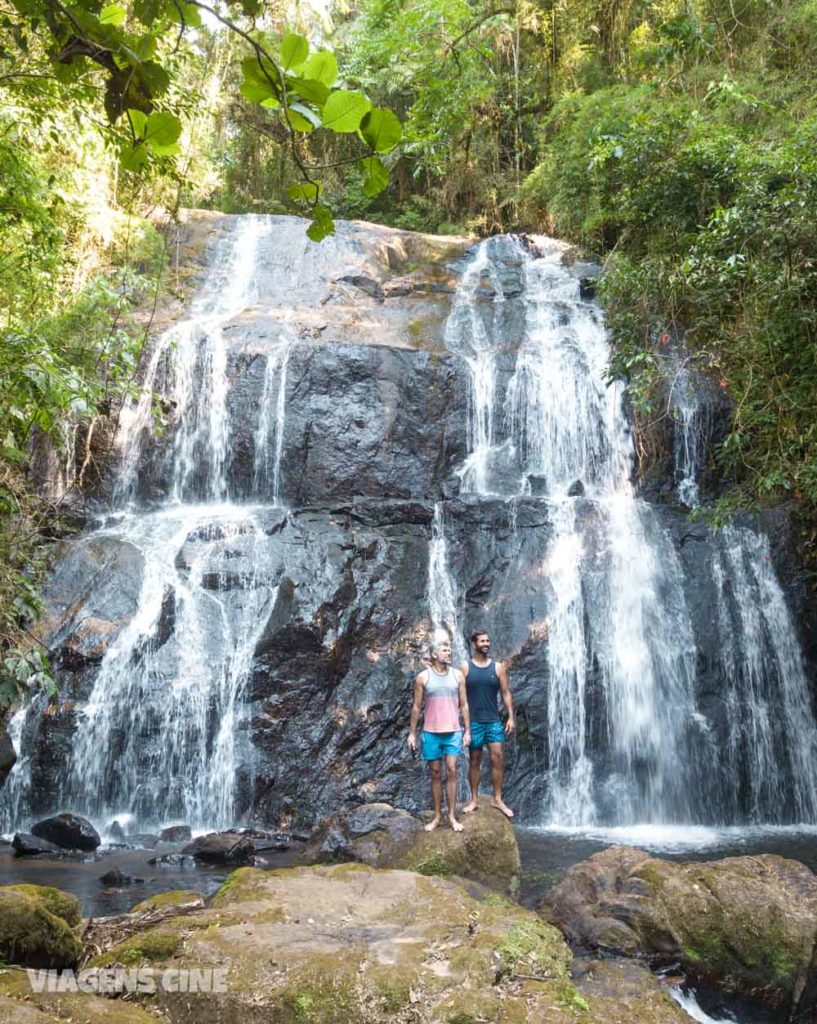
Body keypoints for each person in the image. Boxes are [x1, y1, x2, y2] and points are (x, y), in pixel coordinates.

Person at [408, 631, 471, 832]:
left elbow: (465, 705)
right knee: (435, 773)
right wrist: (412, 733)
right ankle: (437, 816)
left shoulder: (458, 675)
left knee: (452, 770)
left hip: (453, 731)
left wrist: (467, 731)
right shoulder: (423, 678)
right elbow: (416, 707)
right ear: (434, 654)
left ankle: (452, 815)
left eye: (449, 650)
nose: (448, 653)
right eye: (444, 650)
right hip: (431, 732)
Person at [460, 629, 515, 818]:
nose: (486, 644)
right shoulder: (465, 668)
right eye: (482, 641)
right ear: (474, 644)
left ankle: (497, 799)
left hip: (493, 721)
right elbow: (459, 697)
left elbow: (506, 693)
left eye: (488, 641)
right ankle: (474, 799)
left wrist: (511, 717)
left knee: (497, 758)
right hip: (474, 722)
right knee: (474, 760)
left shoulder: (498, 668)